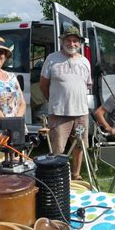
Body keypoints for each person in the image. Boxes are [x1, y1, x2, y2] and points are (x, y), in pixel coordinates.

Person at [39, 26, 92, 180]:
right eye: (68, 40)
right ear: (62, 41)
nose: (72, 43)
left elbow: (86, 85)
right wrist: (54, 101)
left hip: (81, 113)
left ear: (79, 43)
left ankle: (76, 175)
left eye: (75, 41)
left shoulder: (84, 61)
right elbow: (43, 84)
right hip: (59, 113)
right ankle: (58, 177)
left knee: (79, 145)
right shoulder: (52, 59)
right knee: (58, 148)